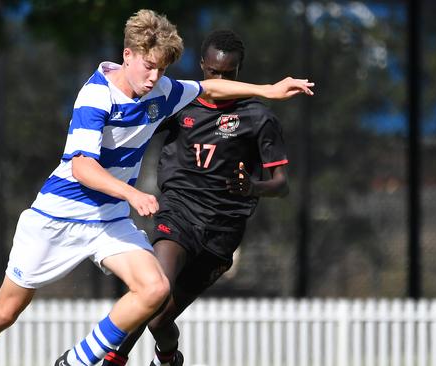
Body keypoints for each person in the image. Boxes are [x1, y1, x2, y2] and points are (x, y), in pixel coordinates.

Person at [0, 10, 313, 366]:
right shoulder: (96, 96)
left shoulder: (162, 90)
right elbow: (82, 167)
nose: (154, 77)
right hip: (56, 217)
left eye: (162, 69)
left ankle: (76, 362)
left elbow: (209, 87)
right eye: (148, 66)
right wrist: (132, 193)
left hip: (107, 221)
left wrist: (268, 90)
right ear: (127, 55)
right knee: (3, 313)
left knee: (156, 290)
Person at [101, 29, 293, 366]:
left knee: (160, 321)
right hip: (178, 213)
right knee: (151, 291)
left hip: (222, 230)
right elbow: (134, 128)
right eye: (213, 72)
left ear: (238, 71)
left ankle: (170, 357)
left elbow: (281, 184)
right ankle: (113, 359)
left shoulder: (257, 117)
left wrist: (253, 187)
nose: (219, 79)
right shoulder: (178, 103)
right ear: (203, 66)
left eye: (227, 74)